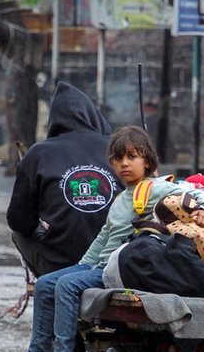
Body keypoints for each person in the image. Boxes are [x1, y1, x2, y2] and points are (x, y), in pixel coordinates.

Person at [0, 125, 204, 352]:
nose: (125, 164)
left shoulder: (154, 188)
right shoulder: (124, 196)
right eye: (118, 158)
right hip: (101, 264)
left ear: (147, 161)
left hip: (121, 270)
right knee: (45, 284)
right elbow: (103, 239)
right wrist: (79, 267)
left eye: (132, 157)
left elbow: (196, 192)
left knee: (65, 287)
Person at [6, 82, 119, 277]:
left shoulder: (39, 154)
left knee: (19, 235)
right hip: (116, 260)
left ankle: (49, 281)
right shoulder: (120, 150)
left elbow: (18, 221)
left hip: (59, 263)